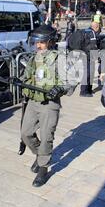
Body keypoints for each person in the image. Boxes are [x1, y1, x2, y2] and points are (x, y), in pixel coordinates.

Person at [20, 24, 74, 187]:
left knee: (46, 137)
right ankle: (40, 155)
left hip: (49, 104)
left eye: (42, 42)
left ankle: (43, 167)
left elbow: (71, 80)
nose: (38, 45)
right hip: (33, 101)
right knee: (26, 133)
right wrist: (20, 81)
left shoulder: (60, 59)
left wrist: (59, 89)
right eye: (36, 42)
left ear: (50, 42)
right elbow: (26, 76)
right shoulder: (33, 58)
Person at [80, 21, 101, 97]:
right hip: (88, 56)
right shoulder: (92, 33)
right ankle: (83, 91)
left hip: (84, 54)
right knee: (88, 73)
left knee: (90, 72)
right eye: (98, 27)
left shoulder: (86, 31)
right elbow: (93, 46)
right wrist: (97, 57)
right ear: (96, 27)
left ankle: (88, 90)